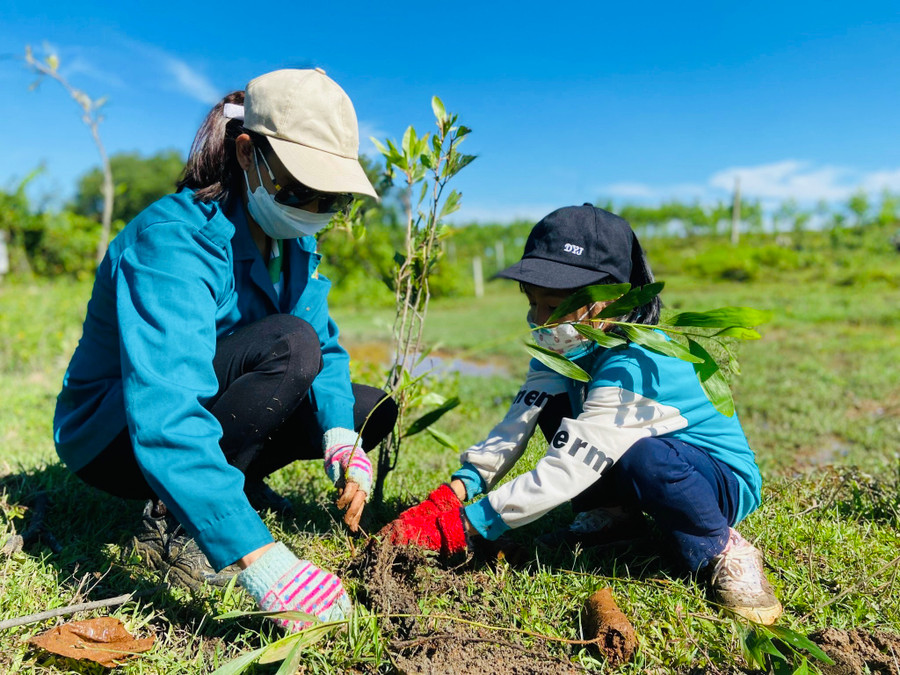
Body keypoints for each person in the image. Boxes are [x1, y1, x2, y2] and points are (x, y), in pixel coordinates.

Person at [53, 68, 397, 632]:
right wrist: (261, 560)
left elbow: (328, 348)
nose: (311, 208)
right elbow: (165, 412)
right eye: (297, 189)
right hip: (117, 433)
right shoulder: (174, 240)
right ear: (246, 154)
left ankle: (230, 484)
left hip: (200, 405)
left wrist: (340, 437)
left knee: (365, 408)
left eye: (329, 198)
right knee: (290, 344)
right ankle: (176, 524)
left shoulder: (293, 242)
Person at [384, 204, 783, 625]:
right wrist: (456, 491)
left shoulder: (635, 364)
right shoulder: (564, 349)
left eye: (554, 305)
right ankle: (615, 517)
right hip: (628, 456)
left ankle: (721, 547)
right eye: (533, 302)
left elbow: (569, 466)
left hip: (714, 482)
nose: (540, 320)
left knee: (645, 456)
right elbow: (517, 423)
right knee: (552, 403)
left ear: (610, 301)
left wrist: (467, 524)